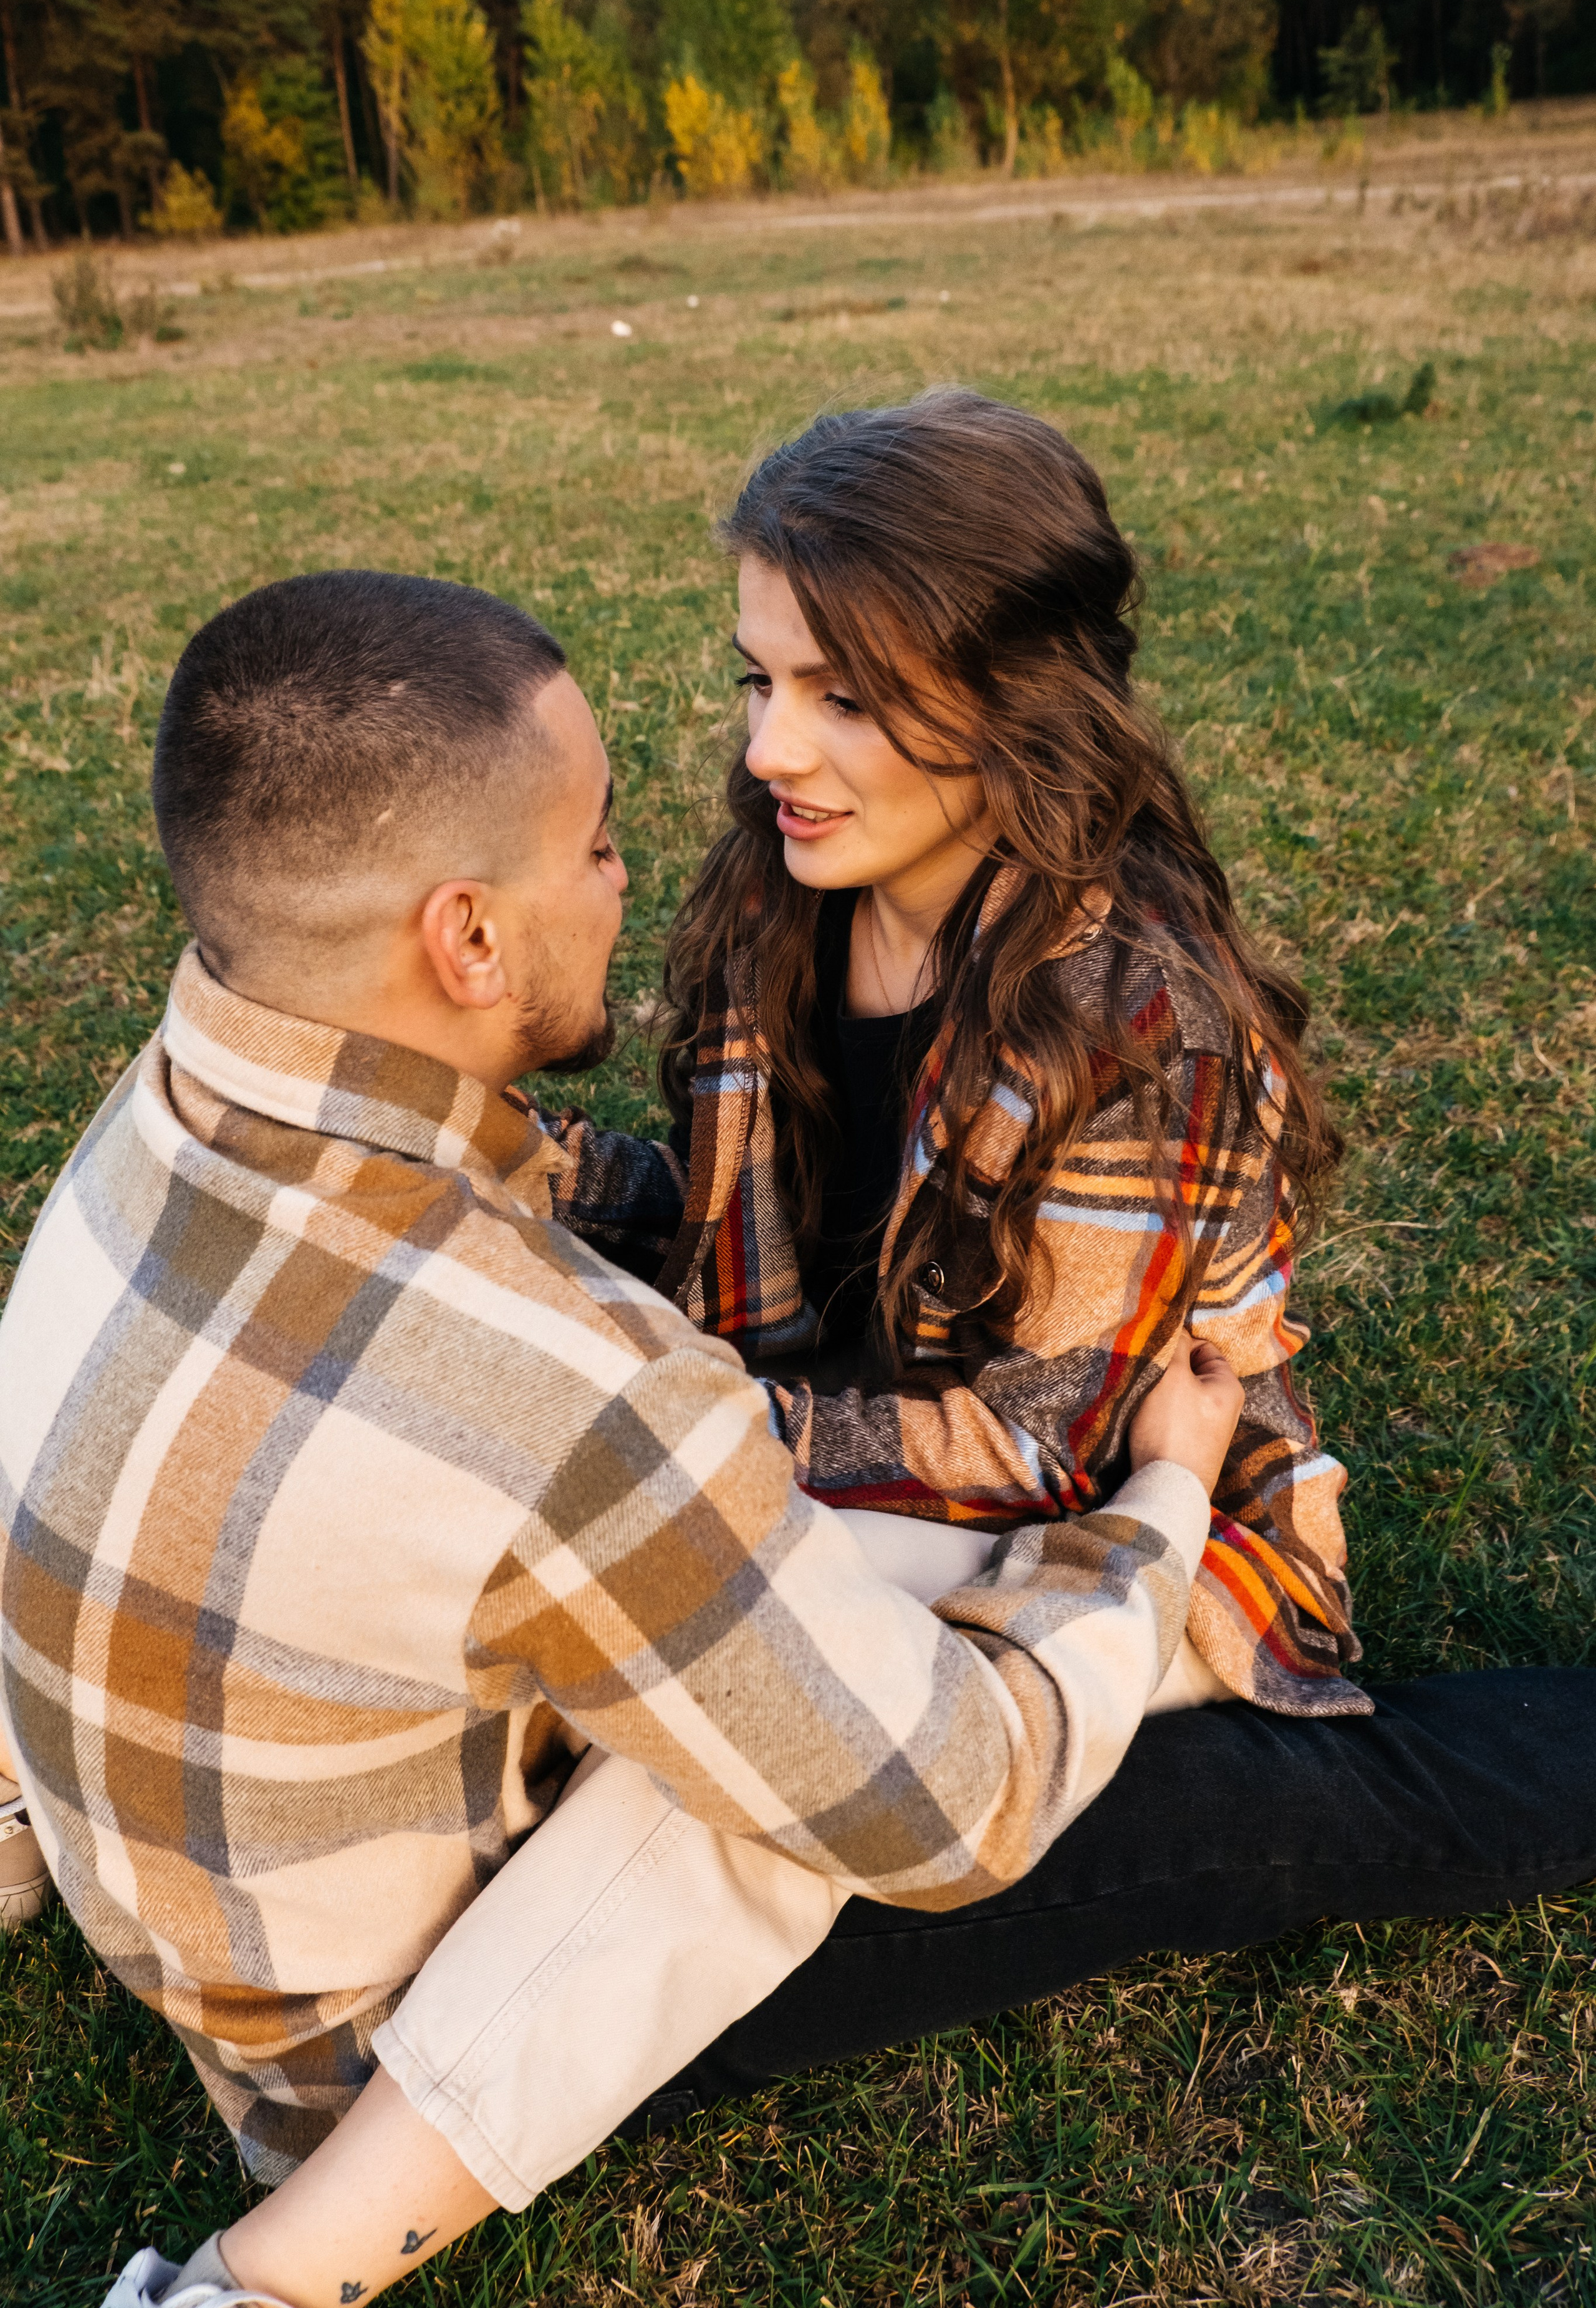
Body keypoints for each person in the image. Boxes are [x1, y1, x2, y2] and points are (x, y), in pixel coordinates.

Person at [0, 568, 1243, 2308]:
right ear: (470, 938)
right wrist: (1164, 1500)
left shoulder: (174, 1093)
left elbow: (522, 1187)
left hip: (167, 1855)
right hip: (370, 2062)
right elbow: (958, 1805)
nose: (627, 870)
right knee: (859, 1644)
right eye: (590, 845)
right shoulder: (573, 1392)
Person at [550, 389, 1358, 1721]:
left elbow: (1040, 1447)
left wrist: (695, 1432)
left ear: (1019, 706)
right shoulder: (784, 902)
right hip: (846, 1452)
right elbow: (746, 1232)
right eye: (761, 680)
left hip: (1111, 1535)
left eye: (844, 697)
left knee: (664, 1620)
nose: (768, 751)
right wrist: (511, 1165)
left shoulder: (1142, 1024)